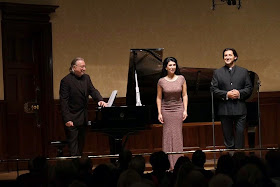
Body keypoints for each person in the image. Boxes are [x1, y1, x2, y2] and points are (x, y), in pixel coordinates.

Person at [60, 57, 107, 156]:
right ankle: (74, 169)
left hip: (83, 118)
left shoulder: (86, 78)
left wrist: (100, 100)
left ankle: (79, 168)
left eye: (85, 66)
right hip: (72, 120)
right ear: (74, 67)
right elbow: (63, 101)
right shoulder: (66, 81)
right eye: (82, 67)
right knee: (73, 149)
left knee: (81, 147)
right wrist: (67, 119)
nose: (84, 69)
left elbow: (93, 90)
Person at [211, 48, 252, 149]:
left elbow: (249, 88)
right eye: (225, 55)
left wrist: (239, 93)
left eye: (229, 55)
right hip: (225, 110)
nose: (227, 57)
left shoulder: (243, 71)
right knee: (228, 137)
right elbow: (213, 89)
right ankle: (230, 159)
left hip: (240, 109)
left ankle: (239, 159)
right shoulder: (218, 72)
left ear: (235, 57)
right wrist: (227, 94)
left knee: (240, 136)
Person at [156, 57, 188, 169]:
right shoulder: (161, 81)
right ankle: (168, 165)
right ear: (165, 67)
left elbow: (184, 95)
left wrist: (185, 110)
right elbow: (159, 98)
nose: (172, 67)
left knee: (178, 136)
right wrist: (159, 113)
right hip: (166, 110)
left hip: (178, 109)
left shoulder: (181, 78)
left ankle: (179, 164)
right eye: (170, 65)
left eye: (174, 65)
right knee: (167, 136)